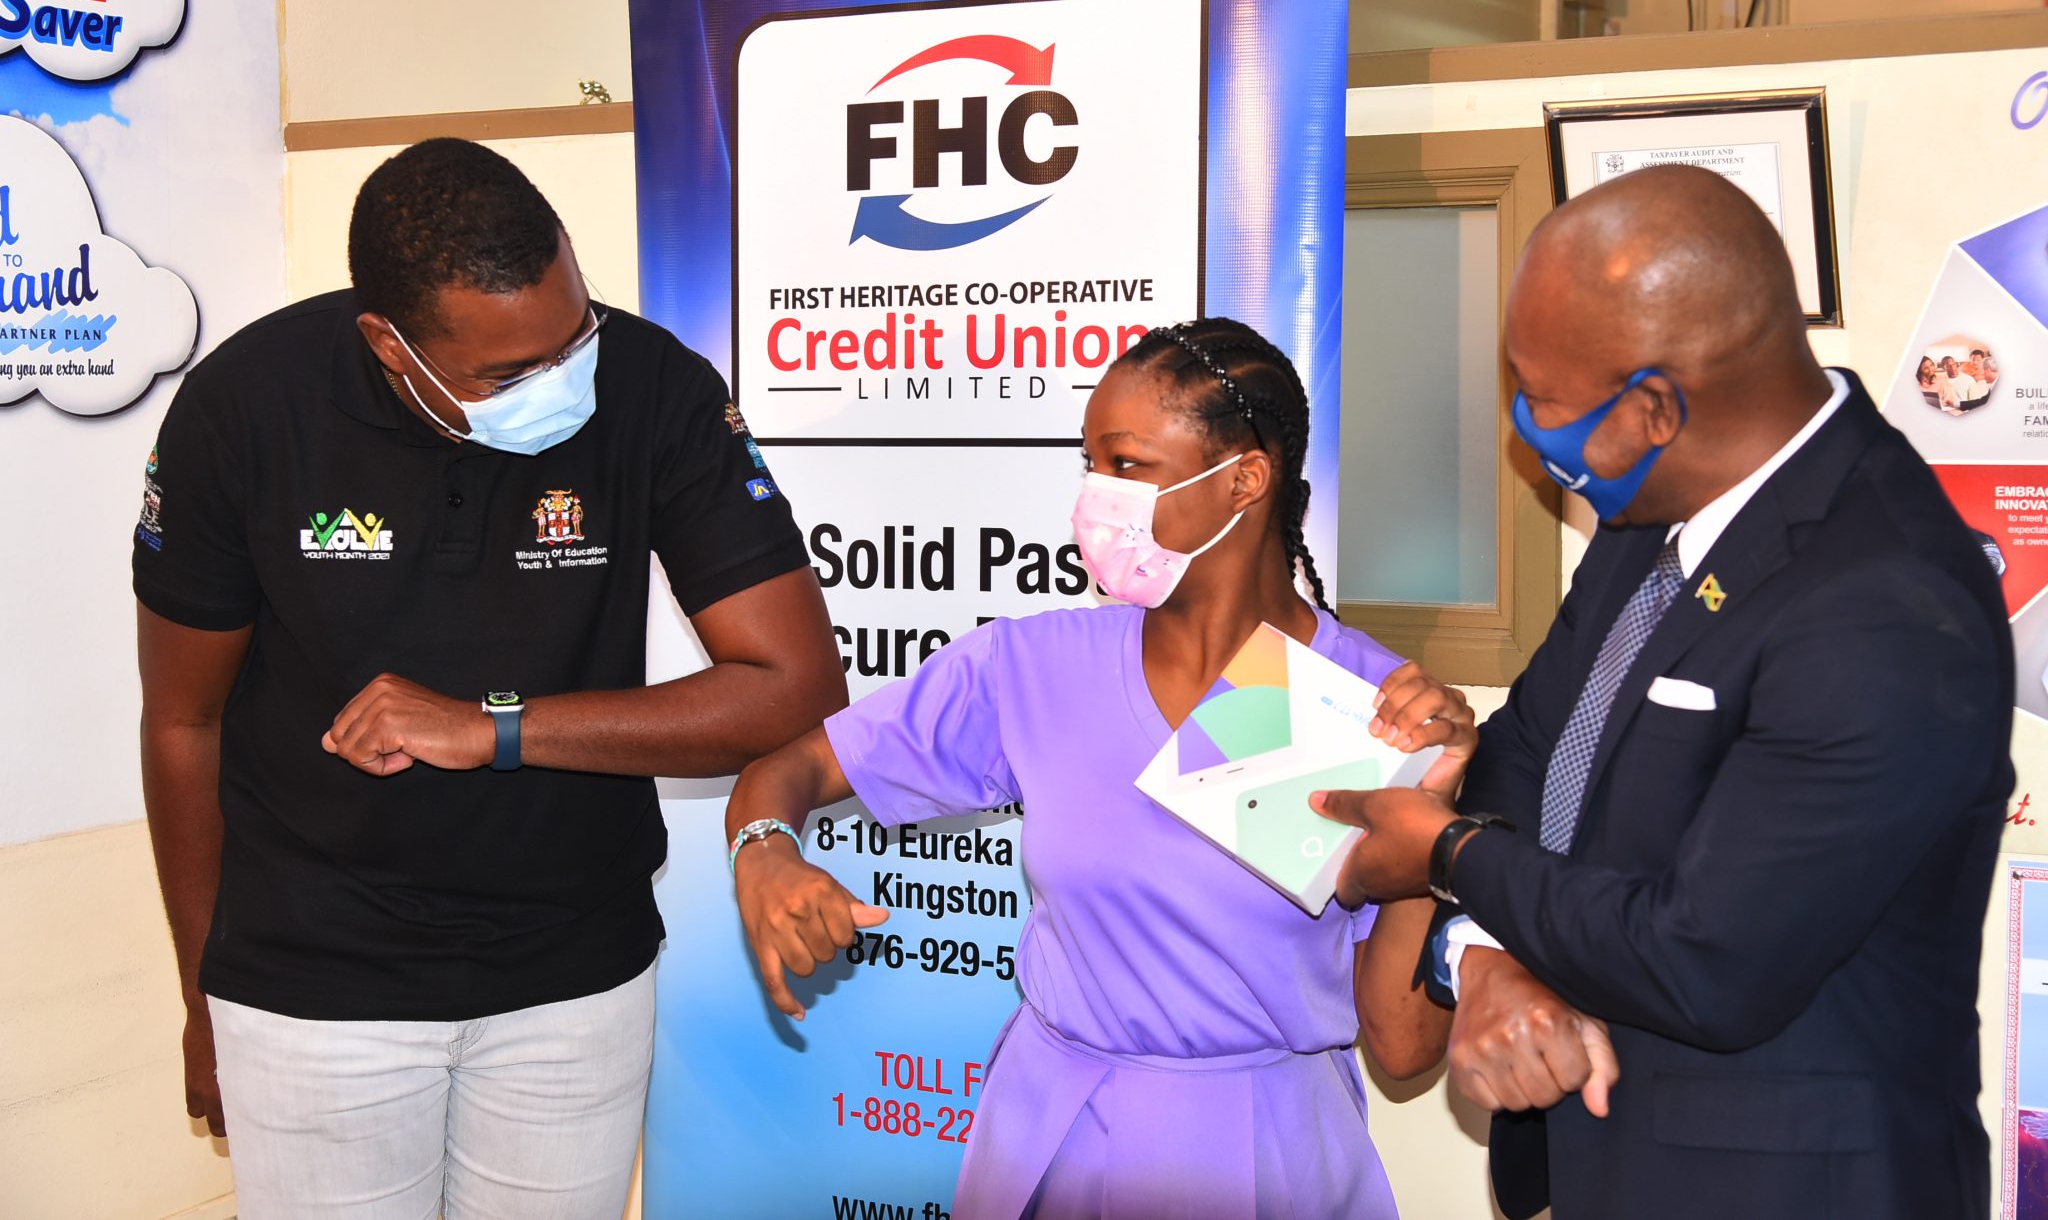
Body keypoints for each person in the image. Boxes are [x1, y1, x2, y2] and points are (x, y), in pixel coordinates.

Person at [133, 138, 847, 1219]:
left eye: (576, 337)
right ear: (389, 344)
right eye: (509, 376)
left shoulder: (652, 388)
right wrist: (202, 996)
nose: (562, 385)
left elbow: (793, 684)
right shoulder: (245, 408)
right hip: (315, 988)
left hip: (575, 977)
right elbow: (184, 718)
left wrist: (497, 726)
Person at [1316, 165, 2013, 1220]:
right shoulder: (1649, 518)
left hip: (1781, 1190)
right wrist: (1485, 953)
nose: (1518, 426)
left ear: (1651, 408)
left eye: (1539, 397)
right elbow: (1528, 754)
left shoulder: (1884, 602)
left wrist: (1445, 854)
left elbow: (1706, 960)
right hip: (1599, 1161)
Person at [725, 319, 1473, 1219]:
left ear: (1244, 480)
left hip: (1255, 1150)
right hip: (1049, 1135)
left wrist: (1437, 822)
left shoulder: (1363, 705)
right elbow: (789, 771)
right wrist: (766, 850)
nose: (1094, 496)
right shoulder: (1034, 667)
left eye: (1125, 465)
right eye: (1088, 464)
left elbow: (1400, 1046)